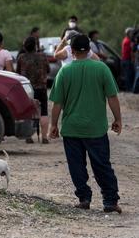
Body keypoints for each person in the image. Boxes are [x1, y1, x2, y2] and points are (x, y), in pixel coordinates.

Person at [49, 34, 122, 214]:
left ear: (71, 51)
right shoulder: (101, 69)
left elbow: (57, 103)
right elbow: (112, 97)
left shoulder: (64, 72)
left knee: (76, 165)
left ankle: (84, 198)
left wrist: (53, 125)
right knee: (102, 165)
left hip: (72, 129)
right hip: (96, 129)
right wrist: (117, 119)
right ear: (90, 50)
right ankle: (110, 201)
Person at [16, 37, 50, 144]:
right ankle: (44, 137)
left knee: (29, 113)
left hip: (27, 89)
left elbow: (17, 73)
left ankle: (28, 137)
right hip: (42, 88)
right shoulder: (43, 56)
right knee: (43, 112)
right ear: (35, 45)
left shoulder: (21, 57)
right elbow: (48, 70)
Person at [121, 27, 135, 92]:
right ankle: (129, 89)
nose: (133, 34)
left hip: (125, 60)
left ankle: (128, 89)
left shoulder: (125, 40)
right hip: (127, 60)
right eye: (131, 32)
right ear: (128, 33)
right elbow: (131, 51)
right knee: (128, 75)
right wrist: (133, 59)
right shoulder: (128, 41)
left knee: (127, 75)